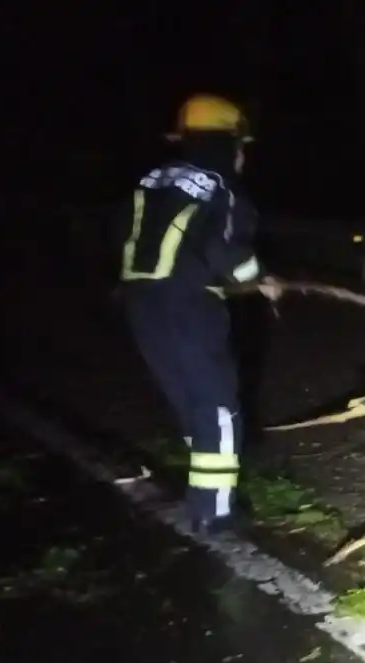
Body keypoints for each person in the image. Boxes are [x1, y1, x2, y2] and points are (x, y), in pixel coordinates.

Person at [118, 93, 282, 536]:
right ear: (232, 144)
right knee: (219, 406)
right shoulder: (223, 188)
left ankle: (203, 488)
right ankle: (215, 511)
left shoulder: (153, 179)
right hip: (188, 305)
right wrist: (260, 278)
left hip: (140, 301)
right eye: (242, 146)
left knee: (187, 397)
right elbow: (227, 250)